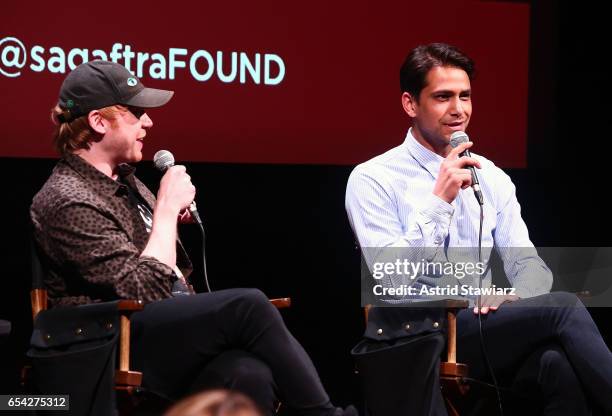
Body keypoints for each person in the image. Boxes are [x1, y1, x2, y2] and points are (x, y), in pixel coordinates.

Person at [31, 60, 357, 416]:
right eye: (136, 113)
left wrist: (165, 221)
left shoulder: (126, 180)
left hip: (154, 330)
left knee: (248, 374)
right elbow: (144, 290)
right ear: (97, 122)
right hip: (108, 343)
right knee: (247, 305)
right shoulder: (67, 197)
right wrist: (166, 209)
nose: (148, 122)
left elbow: (163, 270)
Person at [345, 43, 612, 415]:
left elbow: (532, 268)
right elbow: (392, 281)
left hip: (480, 326)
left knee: (557, 364)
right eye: (442, 97)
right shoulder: (373, 178)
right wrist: (439, 202)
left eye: (465, 96)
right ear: (410, 104)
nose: (458, 110)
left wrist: (513, 294)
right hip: (418, 334)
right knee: (564, 308)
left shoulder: (493, 178)